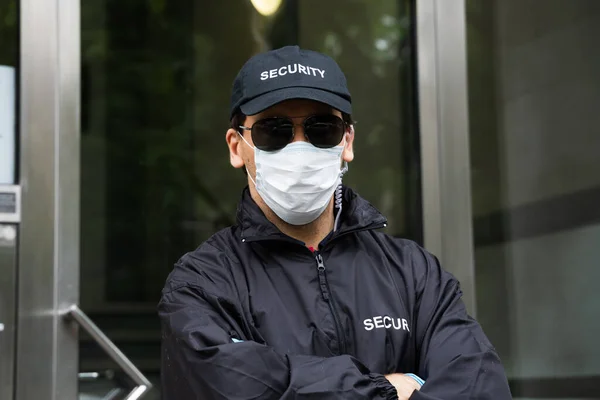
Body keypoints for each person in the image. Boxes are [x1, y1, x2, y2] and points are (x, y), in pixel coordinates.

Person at [158, 45, 512, 400]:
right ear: (237, 147)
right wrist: (387, 389)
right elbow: (224, 388)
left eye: (321, 128)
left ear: (347, 141)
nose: (299, 147)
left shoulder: (415, 275)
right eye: (274, 130)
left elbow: (481, 386)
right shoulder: (203, 283)